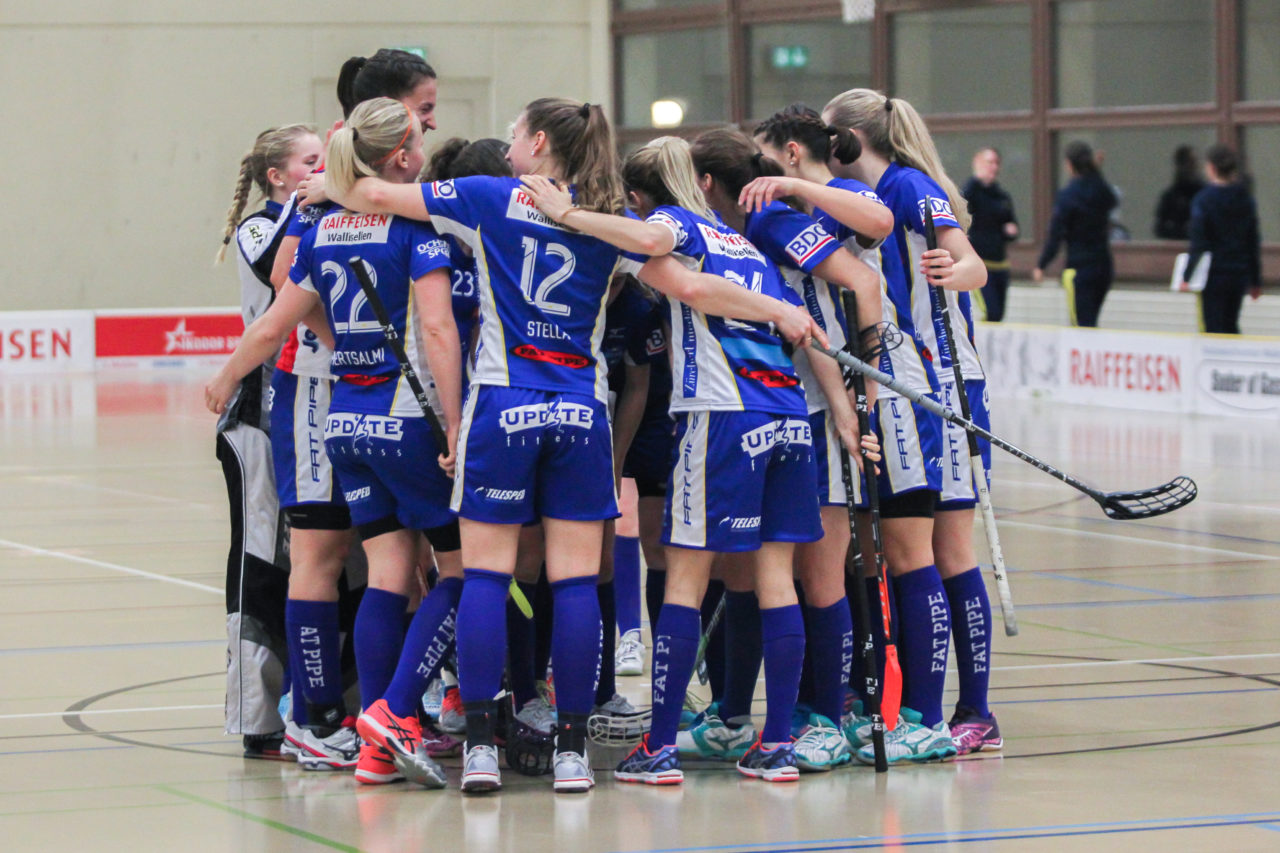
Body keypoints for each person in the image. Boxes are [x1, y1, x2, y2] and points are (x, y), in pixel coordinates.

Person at [313, 97, 819, 794]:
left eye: (516, 131)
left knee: (487, 576)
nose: (510, 142)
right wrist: (781, 308)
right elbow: (678, 265)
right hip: (581, 408)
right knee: (577, 580)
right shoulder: (605, 219)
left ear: (538, 140)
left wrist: (328, 175)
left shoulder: (486, 194)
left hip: (501, 402)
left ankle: (484, 746)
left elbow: (368, 190)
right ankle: (573, 752)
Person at [520, 135, 833, 785]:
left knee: (685, 584)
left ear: (639, 197)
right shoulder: (742, 242)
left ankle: (659, 746)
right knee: (776, 578)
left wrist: (568, 214)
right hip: (788, 419)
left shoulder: (673, 223)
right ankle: (776, 742)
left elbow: (665, 259)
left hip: (722, 416)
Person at [207, 99, 465, 787]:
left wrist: (226, 375)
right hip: (405, 414)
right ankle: (383, 710)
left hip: (343, 418)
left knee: (386, 571)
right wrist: (457, 418)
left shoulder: (321, 229)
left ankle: (368, 732)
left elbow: (271, 325)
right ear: (401, 156)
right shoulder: (416, 227)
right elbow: (438, 332)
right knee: (467, 571)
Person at [261, 49, 444, 781]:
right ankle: (317, 715)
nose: (430, 122)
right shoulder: (340, 200)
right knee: (325, 558)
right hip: (332, 397)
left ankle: (385, 716)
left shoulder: (358, 199)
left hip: (357, 401)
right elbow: (284, 289)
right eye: (423, 110)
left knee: (390, 565)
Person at [689, 122, 884, 772]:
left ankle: (827, 716)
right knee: (756, 570)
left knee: (820, 574)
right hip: (772, 409)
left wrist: (856, 404)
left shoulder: (767, 220)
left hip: (817, 408)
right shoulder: (727, 234)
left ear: (707, 181)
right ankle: (749, 713)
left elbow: (854, 284)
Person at [822, 88, 992, 764]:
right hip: (902, 388)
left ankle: (975, 708)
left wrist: (962, 267)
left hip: (945, 386)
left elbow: (970, 259)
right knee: (897, 548)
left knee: (946, 549)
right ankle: (900, 697)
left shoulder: (909, 185)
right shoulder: (855, 199)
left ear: (850, 139)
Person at [214, 123, 323, 759]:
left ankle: (324, 699)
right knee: (263, 559)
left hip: (312, 406)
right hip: (257, 414)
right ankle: (259, 714)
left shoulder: (321, 217)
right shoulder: (264, 227)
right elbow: (283, 277)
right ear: (278, 177)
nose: (319, 172)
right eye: (309, 162)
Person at [1033, 140, 1117, 328]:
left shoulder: (1068, 195)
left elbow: (1056, 234)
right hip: (1103, 265)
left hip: (1079, 266)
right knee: (1091, 321)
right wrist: (1096, 171)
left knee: (1080, 324)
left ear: (1069, 164)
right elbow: (1111, 199)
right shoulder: (1100, 189)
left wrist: (1042, 264)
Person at [1183, 144, 1262, 335]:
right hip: (1239, 271)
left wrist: (1188, 275)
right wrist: (1255, 279)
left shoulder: (1203, 200)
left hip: (1214, 274)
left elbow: (1199, 242)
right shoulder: (1245, 199)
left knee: (1212, 326)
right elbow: (1253, 241)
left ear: (1211, 168)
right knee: (1231, 323)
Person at [962, 147, 1019, 322]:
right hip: (981, 262)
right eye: (989, 162)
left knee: (999, 314)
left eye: (996, 163)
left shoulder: (1001, 196)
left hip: (1000, 263)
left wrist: (1011, 230)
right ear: (977, 163)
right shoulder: (968, 193)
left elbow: (1012, 225)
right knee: (990, 311)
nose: (993, 167)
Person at [1155, 145, 1204, 241]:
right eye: (1190, 163)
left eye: (1195, 163)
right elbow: (1160, 227)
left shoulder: (1204, 194)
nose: (1194, 167)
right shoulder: (1171, 196)